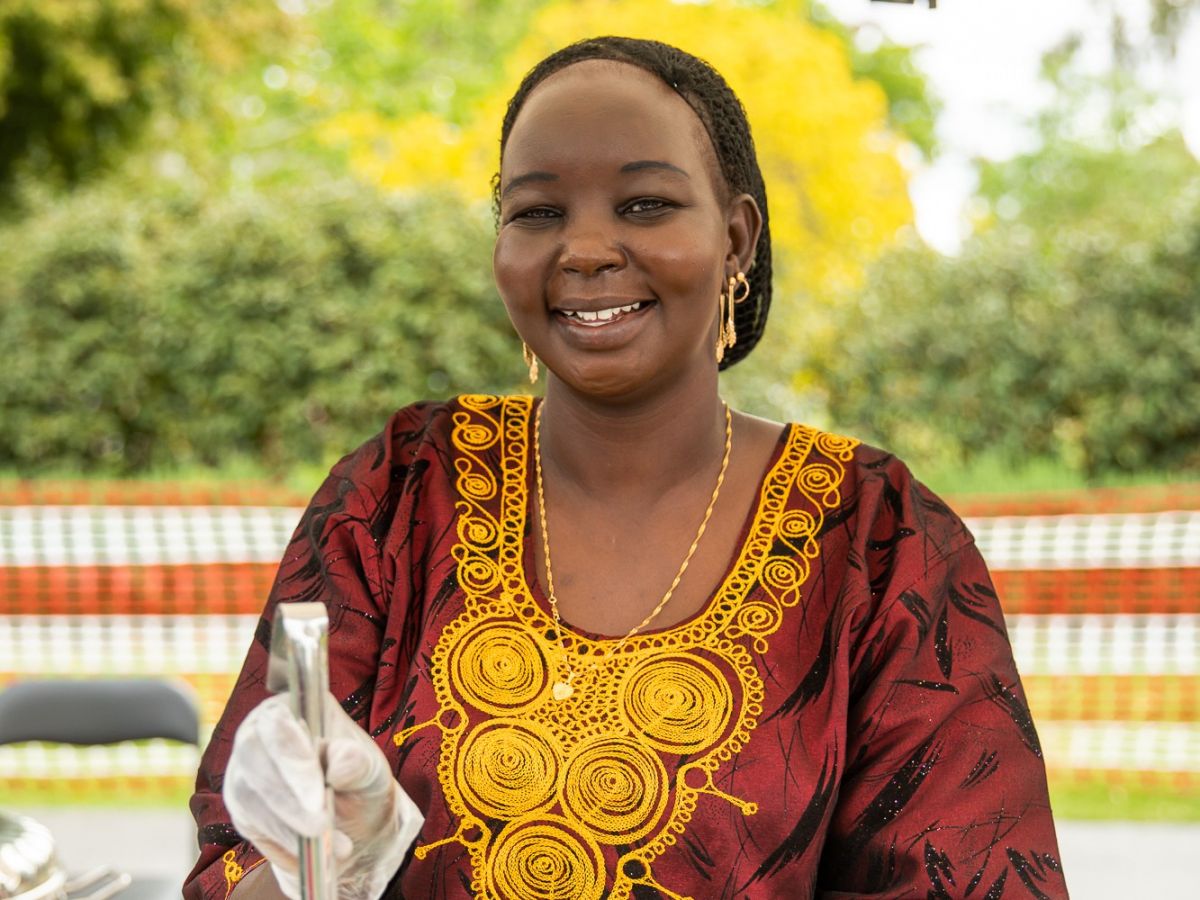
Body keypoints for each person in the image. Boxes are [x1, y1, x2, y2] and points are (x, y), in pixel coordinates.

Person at [185, 36, 1068, 900]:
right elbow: (237, 860)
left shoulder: (879, 540)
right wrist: (324, 867)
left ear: (736, 238)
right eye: (537, 211)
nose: (588, 248)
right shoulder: (396, 495)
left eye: (645, 204)